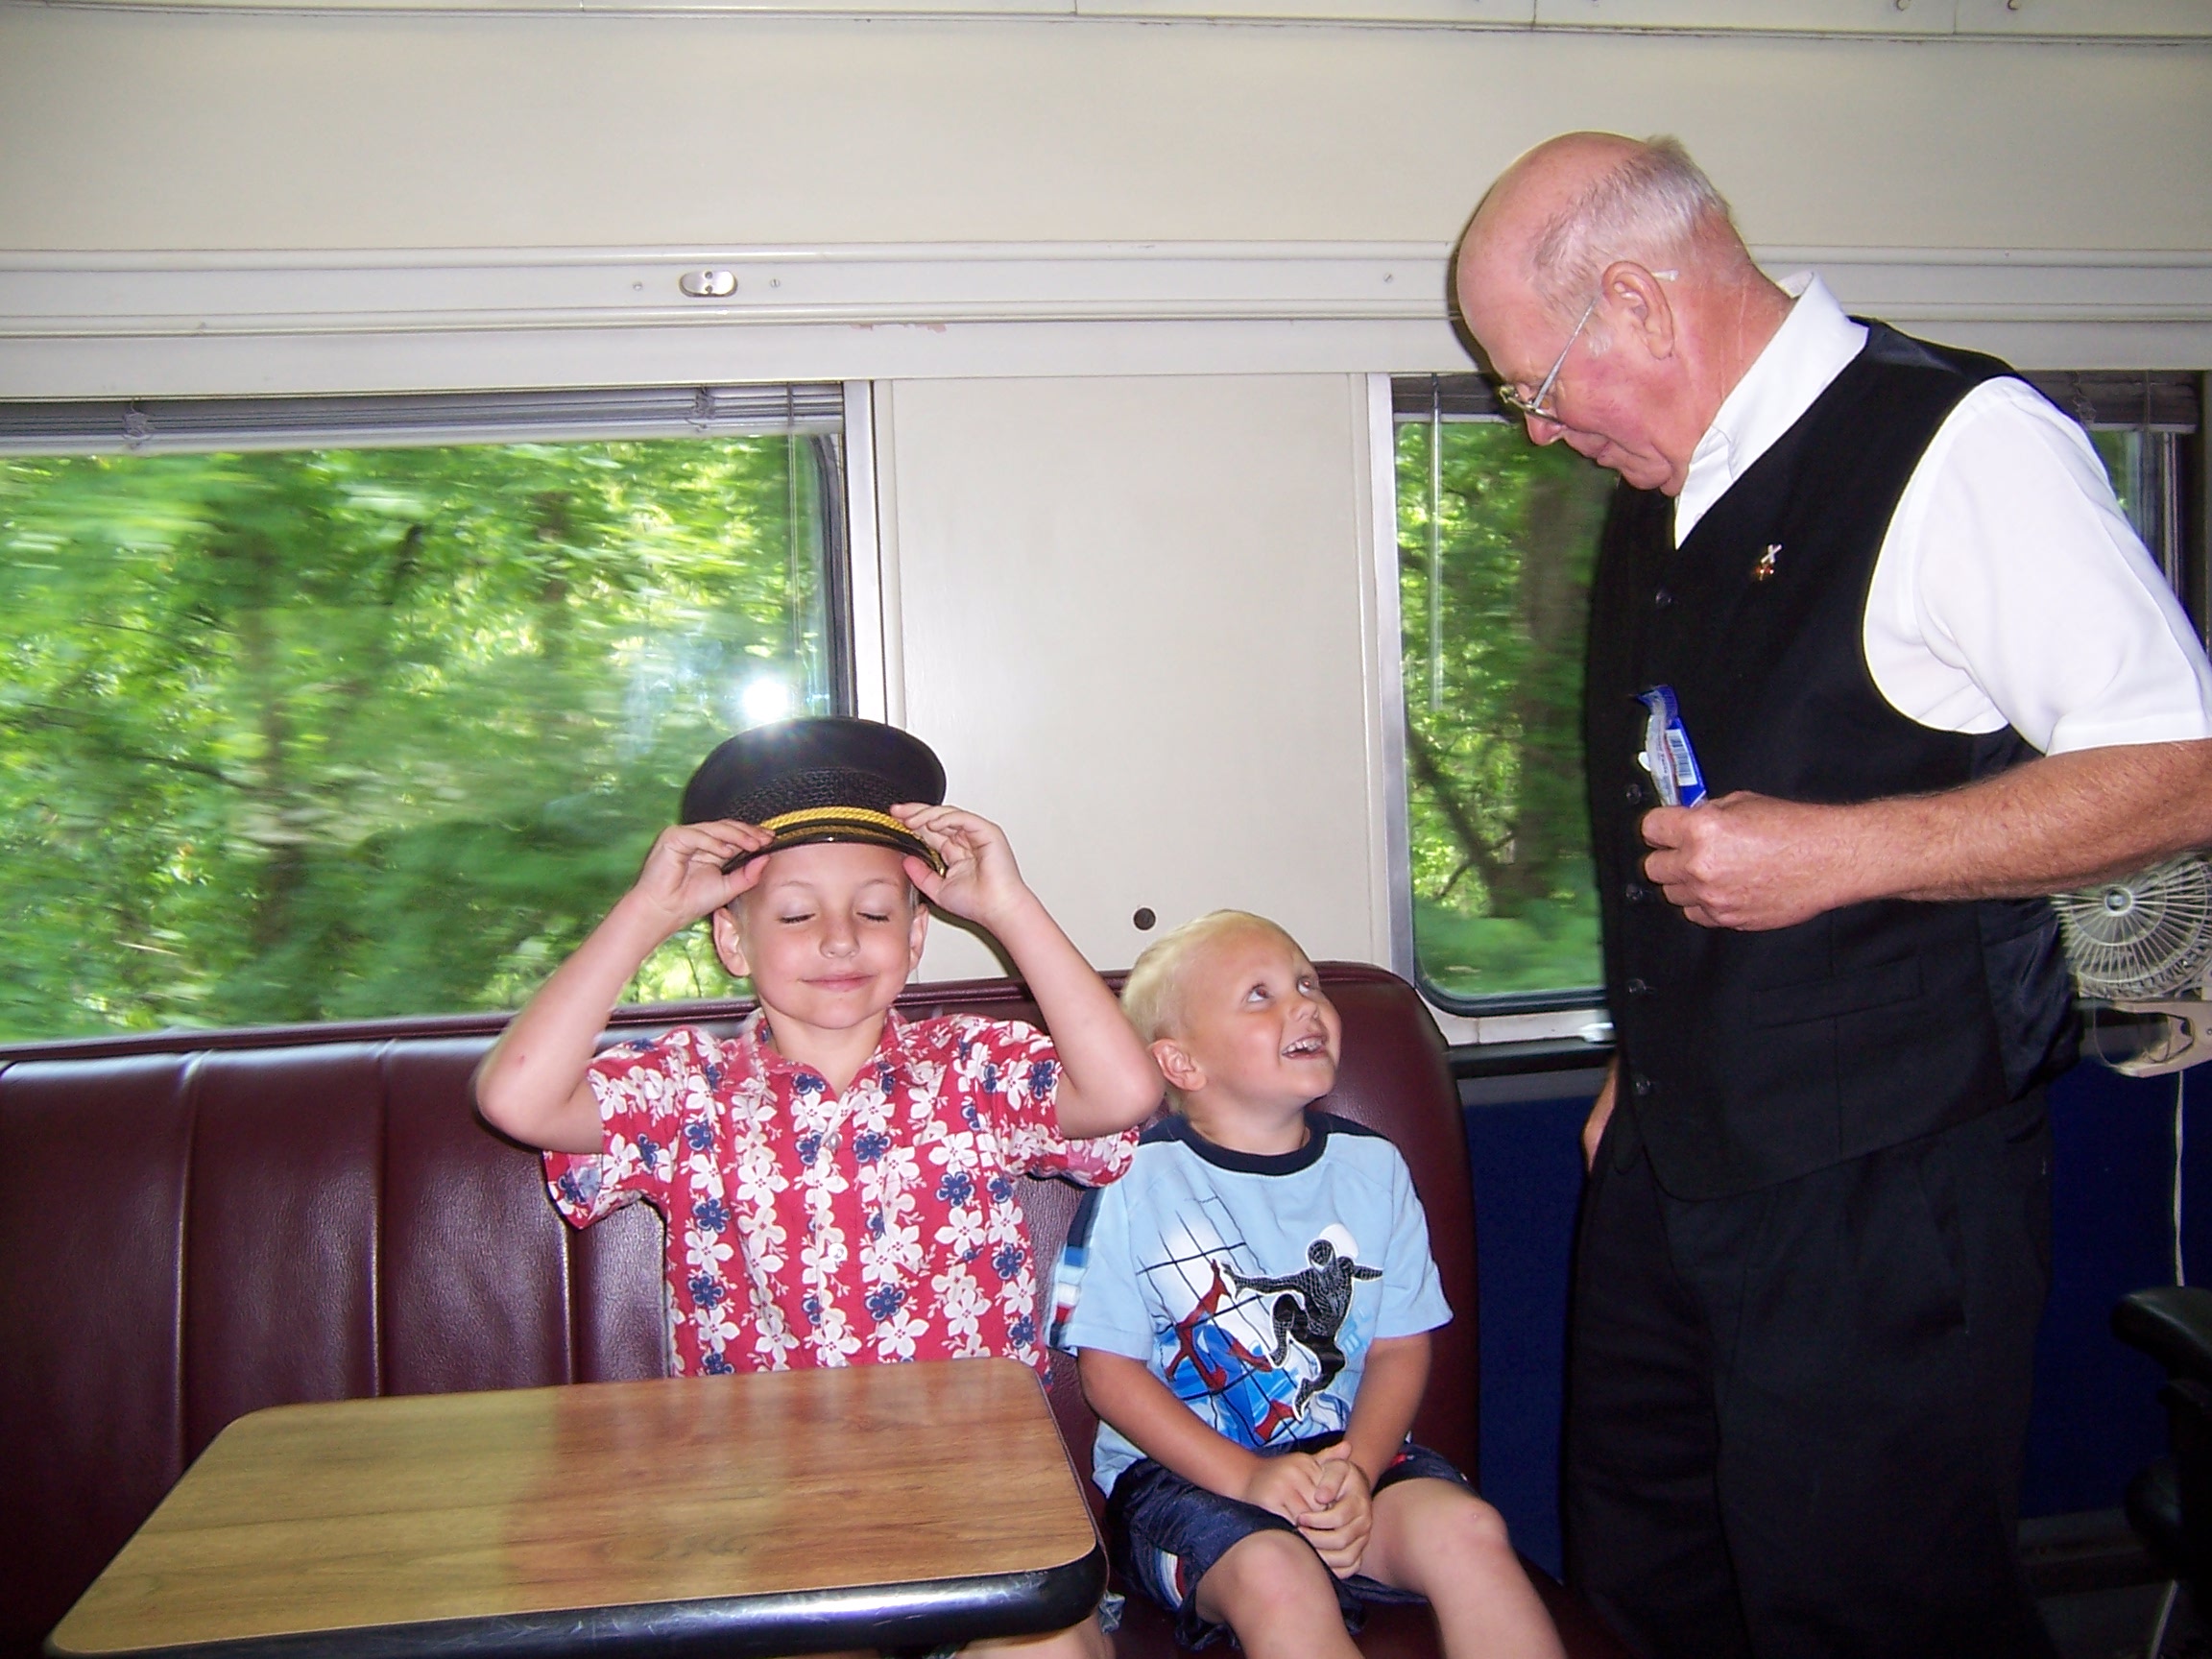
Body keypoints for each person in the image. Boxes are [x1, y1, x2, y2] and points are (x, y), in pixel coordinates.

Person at [1453, 132, 2212, 1658]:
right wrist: (1642, 1058)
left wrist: (1846, 853)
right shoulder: (1669, 491)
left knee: (1869, 1612)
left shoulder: (1959, 446)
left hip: (1884, 1171)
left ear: (1637, 302)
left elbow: (2180, 768)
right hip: (1676, 1154)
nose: (1539, 433)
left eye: (1538, 388)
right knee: (1651, 1571)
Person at [475, 715, 1163, 1659]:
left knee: (1051, 1649)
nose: (840, 939)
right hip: (770, 1511)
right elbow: (516, 1097)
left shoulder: (973, 1067)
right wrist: (643, 914)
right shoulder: (688, 1091)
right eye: (796, 916)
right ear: (732, 939)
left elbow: (1123, 1093)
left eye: (875, 913)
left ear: (916, 937)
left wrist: (1010, 907)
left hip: (982, 1495)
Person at [1049, 910, 1564, 1659]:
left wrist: (1359, 1467)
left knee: (1470, 1530)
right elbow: (1110, 1377)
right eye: (1259, 995)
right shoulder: (1133, 1182)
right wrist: (1249, 1480)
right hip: (1185, 1480)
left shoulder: (1375, 1169)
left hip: (1347, 1458)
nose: (1304, 1005)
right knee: (1279, 1573)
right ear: (1182, 1064)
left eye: (1307, 983)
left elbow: (1399, 1349)